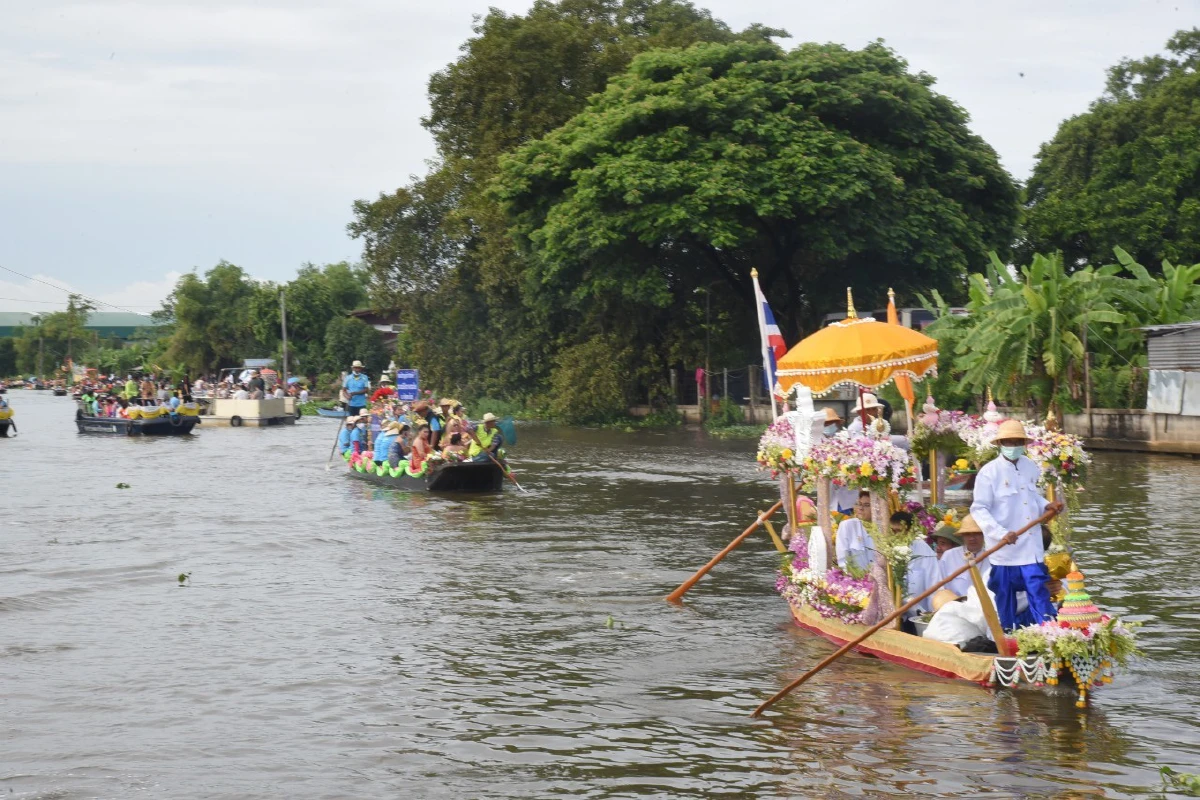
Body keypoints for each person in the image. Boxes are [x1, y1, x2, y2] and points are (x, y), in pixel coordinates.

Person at [970, 419, 1064, 630]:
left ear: (1024, 443)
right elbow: (979, 509)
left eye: (1017, 442)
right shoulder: (989, 472)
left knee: (1039, 591)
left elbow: (1033, 498)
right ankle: (1008, 635)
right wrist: (1001, 533)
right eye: (1009, 442)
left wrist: (1047, 505)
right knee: (1005, 596)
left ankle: (1048, 633)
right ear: (1000, 444)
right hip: (1005, 550)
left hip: (1031, 547)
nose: (1013, 446)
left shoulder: (1030, 466)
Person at [937, 515, 989, 598]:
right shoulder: (949, 556)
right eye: (967, 534)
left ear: (984, 534)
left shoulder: (992, 558)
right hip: (955, 603)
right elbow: (940, 586)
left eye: (976, 534)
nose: (972, 538)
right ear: (962, 536)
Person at [835, 491, 876, 572]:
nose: (861, 508)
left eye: (866, 505)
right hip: (856, 577)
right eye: (859, 504)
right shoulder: (847, 526)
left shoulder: (883, 528)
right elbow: (843, 560)